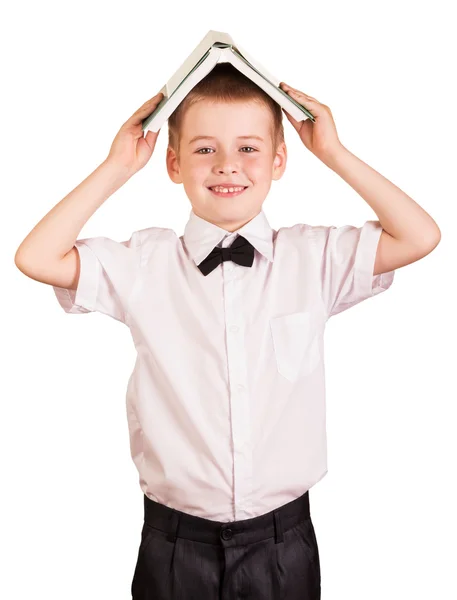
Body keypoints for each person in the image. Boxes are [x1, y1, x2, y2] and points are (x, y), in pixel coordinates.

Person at [14, 63, 441, 599]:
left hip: (285, 541)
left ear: (278, 159)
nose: (226, 166)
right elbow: (35, 256)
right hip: (174, 543)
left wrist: (332, 152)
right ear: (173, 163)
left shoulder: (314, 258)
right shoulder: (144, 265)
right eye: (204, 149)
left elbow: (421, 235)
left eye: (247, 148)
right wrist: (117, 166)